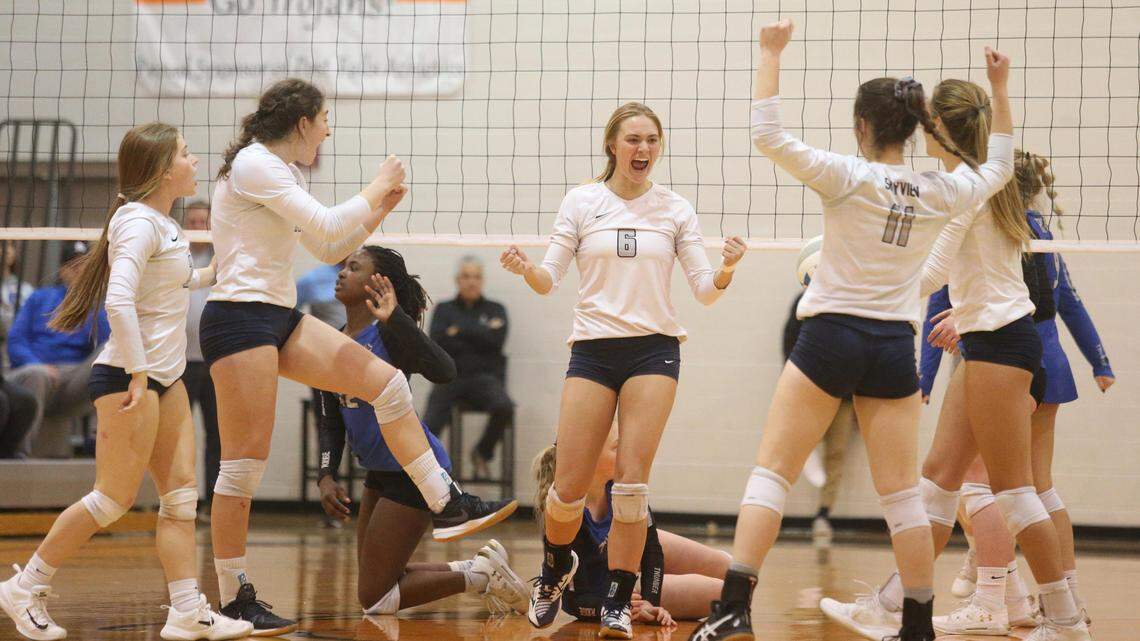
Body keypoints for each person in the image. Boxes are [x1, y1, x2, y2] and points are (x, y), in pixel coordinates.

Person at [687, 20, 1015, 641]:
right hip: (892, 345)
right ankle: (917, 624)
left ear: (862, 127)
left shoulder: (846, 175)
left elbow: (767, 134)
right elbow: (999, 165)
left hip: (831, 336)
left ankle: (732, 610)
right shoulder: (940, 192)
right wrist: (999, 88)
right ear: (913, 130)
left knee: (772, 473)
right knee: (903, 498)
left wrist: (770, 52)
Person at [202, 77, 498, 635]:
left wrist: (378, 209)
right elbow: (327, 226)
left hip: (277, 315)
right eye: (324, 120)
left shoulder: (282, 172)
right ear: (302, 123)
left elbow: (328, 246)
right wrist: (377, 182)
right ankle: (233, 597)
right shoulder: (254, 163)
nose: (329, 130)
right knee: (242, 468)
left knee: (386, 383)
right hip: (239, 319)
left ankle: (445, 500)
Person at [821, 77, 1090, 641]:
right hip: (986, 340)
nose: (921, 131)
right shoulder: (983, 175)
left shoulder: (967, 189)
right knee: (939, 481)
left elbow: (930, 274)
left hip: (1001, 343)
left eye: (928, 122)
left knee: (1015, 492)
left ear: (941, 128)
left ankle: (1066, 621)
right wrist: (1000, 86)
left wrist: (851, 283)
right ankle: (892, 605)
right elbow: (1003, 140)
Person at [501, 99, 745, 638]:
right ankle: (553, 570)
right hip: (593, 349)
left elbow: (704, 291)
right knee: (567, 487)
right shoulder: (582, 201)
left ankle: (618, 597)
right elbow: (548, 279)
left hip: (654, 350)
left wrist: (727, 268)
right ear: (612, 144)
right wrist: (525, 270)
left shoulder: (675, 209)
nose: (644, 149)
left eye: (652, 140)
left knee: (631, 486)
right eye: (634, 139)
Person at [0, 123, 251, 641]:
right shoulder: (137, 222)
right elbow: (118, 300)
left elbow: (178, 282)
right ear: (161, 169)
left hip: (167, 377)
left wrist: (223, 267)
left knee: (180, 500)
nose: (194, 161)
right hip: (127, 376)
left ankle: (186, 612)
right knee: (111, 500)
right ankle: (25, 586)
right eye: (185, 153)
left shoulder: (164, 223)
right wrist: (138, 371)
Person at [920, 151, 1113, 632]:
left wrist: (926, 371)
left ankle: (996, 594)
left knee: (987, 485)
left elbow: (945, 297)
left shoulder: (990, 225)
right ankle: (1054, 599)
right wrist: (1100, 362)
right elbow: (1065, 302)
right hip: (1042, 359)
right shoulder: (1038, 231)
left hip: (1005, 359)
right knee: (1034, 488)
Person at [316, 245, 524, 616]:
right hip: (378, 472)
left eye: (354, 267)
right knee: (380, 580)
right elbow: (331, 416)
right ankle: (480, 568)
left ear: (376, 283)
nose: (342, 272)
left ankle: (480, 577)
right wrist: (326, 474)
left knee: (375, 598)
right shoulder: (332, 340)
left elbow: (445, 371)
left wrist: (396, 318)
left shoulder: (388, 333)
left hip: (413, 470)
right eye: (344, 266)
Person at [532, 426, 729, 626]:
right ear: (589, 456)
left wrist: (651, 601)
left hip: (632, 558)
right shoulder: (568, 512)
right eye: (618, 447)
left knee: (729, 569)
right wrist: (610, 605)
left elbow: (652, 550)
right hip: (617, 589)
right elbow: (573, 601)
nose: (627, 453)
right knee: (726, 593)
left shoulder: (621, 487)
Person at [7, 241, 110, 458]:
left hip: (72, 378)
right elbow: (16, 341)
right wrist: (37, 364)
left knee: (111, 352)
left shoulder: (95, 304)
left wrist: (94, 303)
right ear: (62, 270)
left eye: (84, 266)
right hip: (36, 370)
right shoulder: (39, 298)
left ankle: (98, 442)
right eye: (74, 266)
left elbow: (109, 343)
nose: (79, 271)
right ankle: (19, 455)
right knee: (37, 375)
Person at [782, 289, 859, 549]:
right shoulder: (804, 301)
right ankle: (772, 506)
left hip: (844, 396)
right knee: (797, 449)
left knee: (836, 454)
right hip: (810, 392)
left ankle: (824, 513)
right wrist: (794, 387)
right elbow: (789, 344)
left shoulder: (853, 302)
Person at [424, 256, 514, 479]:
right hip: (449, 378)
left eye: (476, 277)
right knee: (428, 426)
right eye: (466, 276)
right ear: (458, 280)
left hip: (484, 379)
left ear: (482, 280)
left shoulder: (496, 309)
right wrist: (481, 331)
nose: (471, 282)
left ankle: (482, 452)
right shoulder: (444, 309)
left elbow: (496, 342)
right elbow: (437, 342)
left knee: (504, 407)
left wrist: (457, 331)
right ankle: (426, 472)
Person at [181, 201, 220, 517]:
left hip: (216, 361)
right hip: (181, 361)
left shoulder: (224, 259)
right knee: (179, 434)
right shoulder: (176, 257)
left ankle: (213, 503)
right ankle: (180, 500)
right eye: (192, 222)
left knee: (217, 435)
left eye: (202, 222)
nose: (197, 227)